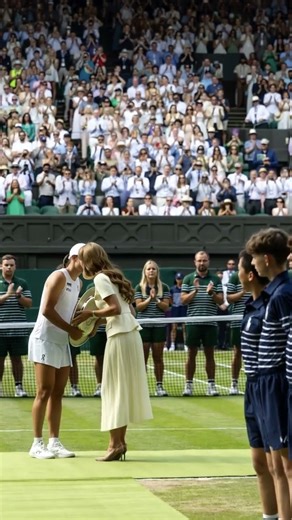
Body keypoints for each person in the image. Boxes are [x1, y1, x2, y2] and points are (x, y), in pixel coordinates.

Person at [72, 242, 153, 461]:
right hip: (130, 334)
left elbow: (114, 309)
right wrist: (93, 326)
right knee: (121, 390)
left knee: (113, 389)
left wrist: (90, 315)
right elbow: (126, 309)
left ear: (89, 261)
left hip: (120, 335)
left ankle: (114, 444)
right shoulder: (113, 276)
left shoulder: (100, 278)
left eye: (81, 258)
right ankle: (119, 443)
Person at [246, 228, 292, 520]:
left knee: (287, 466)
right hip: (267, 384)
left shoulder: (283, 294)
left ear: (266, 258)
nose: (252, 265)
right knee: (277, 465)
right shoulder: (276, 292)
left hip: (278, 385)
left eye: (254, 259)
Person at [28, 243, 85, 459]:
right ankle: (36, 444)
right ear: (74, 258)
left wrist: (86, 318)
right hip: (44, 340)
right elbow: (47, 310)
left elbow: (68, 312)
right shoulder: (58, 276)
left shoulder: (78, 283)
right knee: (44, 391)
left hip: (62, 342)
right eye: (85, 258)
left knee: (58, 393)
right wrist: (72, 329)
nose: (89, 263)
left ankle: (54, 442)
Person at [238, 250, 277, 520]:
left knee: (279, 466)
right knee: (259, 463)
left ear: (250, 275)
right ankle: (269, 516)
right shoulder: (248, 306)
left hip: (270, 390)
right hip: (252, 389)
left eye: (242, 269)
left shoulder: (272, 304)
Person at [181, 251, 223, 397]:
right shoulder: (188, 279)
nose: (202, 263)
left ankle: (211, 385)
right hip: (193, 322)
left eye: (204, 260)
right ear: (195, 262)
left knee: (210, 355)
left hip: (210, 323)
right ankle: (188, 385)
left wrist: (211, 293)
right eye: (199, 261)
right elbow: (183, 300)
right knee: (191, 355)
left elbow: (221, 301)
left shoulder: (215, 280)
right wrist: (195, 290)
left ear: (208, 262)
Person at [134, 260, 170, 397]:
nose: (151, 271)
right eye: (149, 269)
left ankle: (159, 386)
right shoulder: (139, 288)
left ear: (157, 271)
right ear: (145, 271)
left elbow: (166, 307)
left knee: (158, 357)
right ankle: (141, 388)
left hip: (159, 326)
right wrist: (150, 298)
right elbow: (138, 307)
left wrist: (157, 300)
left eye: (153, 269)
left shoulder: (164, 287)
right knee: (142, 358)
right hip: (143, 326)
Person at [0, 254, 32, 397]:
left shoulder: (22, 283)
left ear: (15, 267)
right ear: (1, 266)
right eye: (6, 265)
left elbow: (29, 304)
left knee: (17, 359)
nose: (9, 267)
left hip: (18, 329)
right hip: (0, 330)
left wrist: (19, 296)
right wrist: (8, 295)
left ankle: (19, 387)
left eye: (11, 265)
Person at [226, 269, 250, 395]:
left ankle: (252, 382)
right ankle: (234, 383)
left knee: (255, 352)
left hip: (256, 318)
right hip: (238, 320)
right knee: (237, 352)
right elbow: (229, 298)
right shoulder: (235, 277)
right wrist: (243, 292)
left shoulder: (259, 274)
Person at [169, 272, 187, 352]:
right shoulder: (172, 289)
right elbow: (170, 299)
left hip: (184, 308)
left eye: (180, 279)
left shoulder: (185, 288)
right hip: (175, 309)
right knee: (174, 327)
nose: (179, 280)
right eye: (178, 279)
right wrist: (174, 303)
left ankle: (186, 345)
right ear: (176, 279)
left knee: (184, 327)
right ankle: (172, 345)